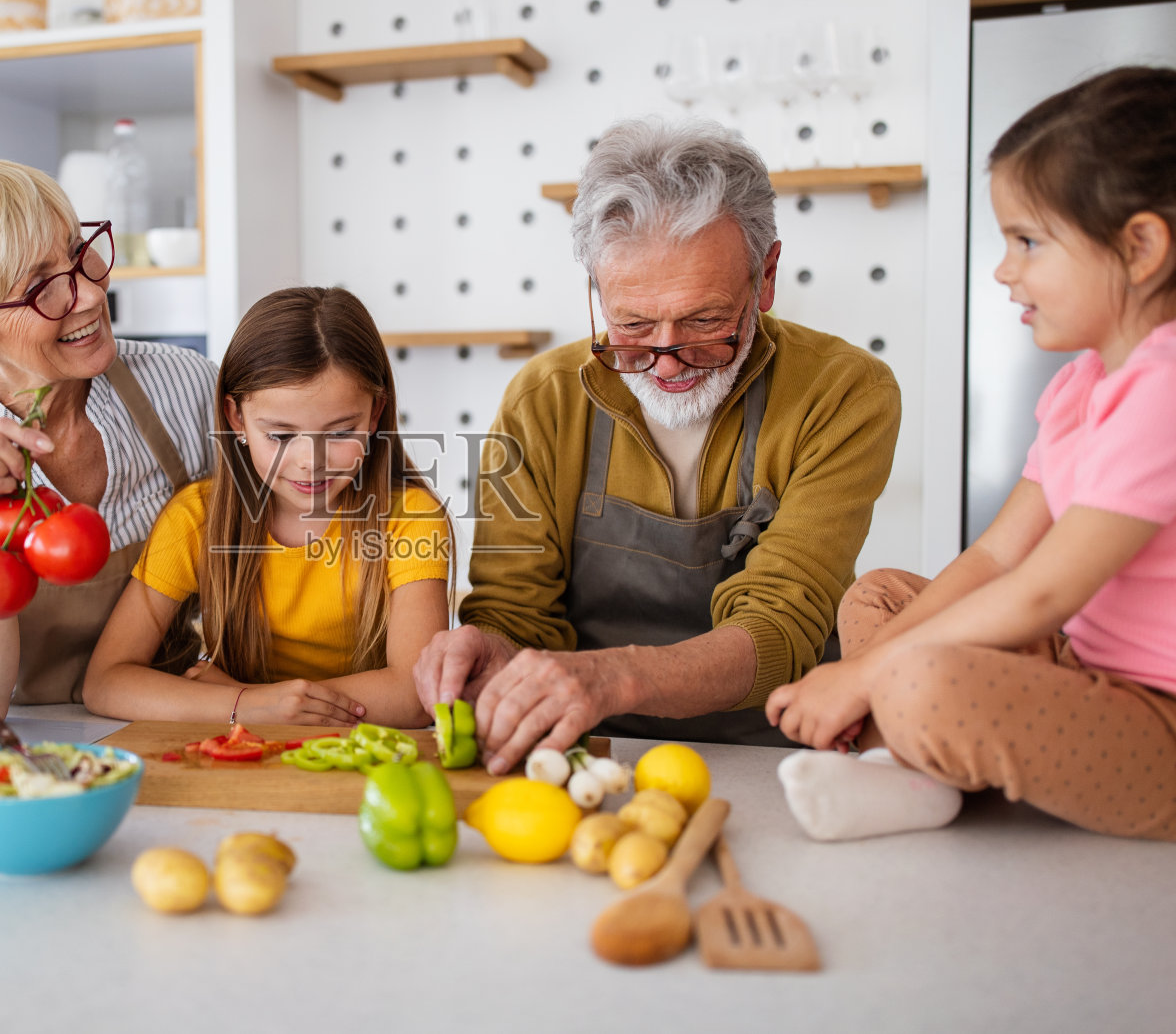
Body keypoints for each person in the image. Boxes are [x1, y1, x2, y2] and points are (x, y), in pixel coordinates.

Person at [413, 117, 902, 772]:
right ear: (596, 294)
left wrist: (613, 677)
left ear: (766, 278)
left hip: (780, 752)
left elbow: (779, 625)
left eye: (704, 321)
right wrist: (490, 649)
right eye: (634, 325)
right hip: (587, 753)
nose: (667, 361)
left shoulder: (842, 392)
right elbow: (515, 611)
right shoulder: (542, 399)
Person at [768, 66, 1176, 843]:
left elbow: (1041, 592)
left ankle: (906, 768)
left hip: (1158, 718)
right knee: (879, 598)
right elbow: (995, 556)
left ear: (1141, 247)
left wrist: (864, 674)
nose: (1003, 269)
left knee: (916, 676)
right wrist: (868, 664)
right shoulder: (1083, 383)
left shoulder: (1165, 391)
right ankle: (909, 769)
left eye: (1029, 241)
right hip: (1083, 666)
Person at [0, 155, 216, 715]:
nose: (91, 295)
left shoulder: (184, 384)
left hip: (172, 722)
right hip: (19, 748)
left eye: (79, 254)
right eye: (40, 288)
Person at [83, 286, 451, 728]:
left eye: (340, 433)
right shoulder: (196, 518)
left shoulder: (411, 519)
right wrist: (250, 706)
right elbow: (106, 682)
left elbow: (413, 695)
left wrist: (248, 700)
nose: (310, 461)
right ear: (236, 418)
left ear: (375, 415)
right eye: (280, 435)